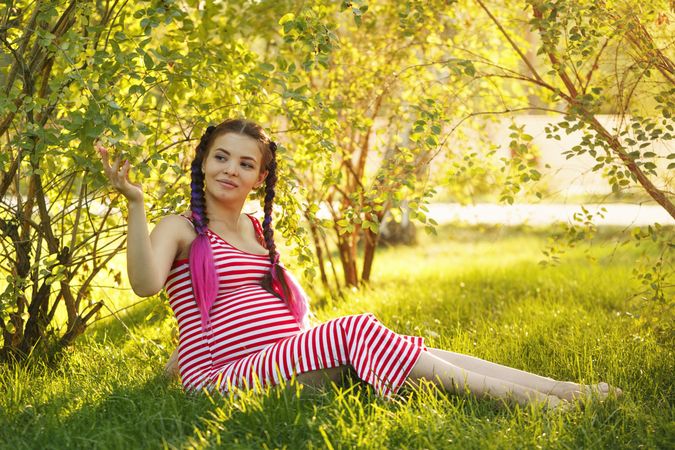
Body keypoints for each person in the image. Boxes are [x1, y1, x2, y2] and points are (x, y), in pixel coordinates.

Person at [97, 118, 622, 410]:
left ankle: (560, 390)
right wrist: (136, 204)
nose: (230, 169)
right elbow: (146, 286)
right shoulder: (181, 228)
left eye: (245, 163)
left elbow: (250, 311)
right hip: (226, 376)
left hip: (279, 357)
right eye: (220, 157)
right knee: (355, 328)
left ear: (260, 178)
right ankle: (542, 409)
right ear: (202, 162)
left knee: (418, 350)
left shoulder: (257, 232)